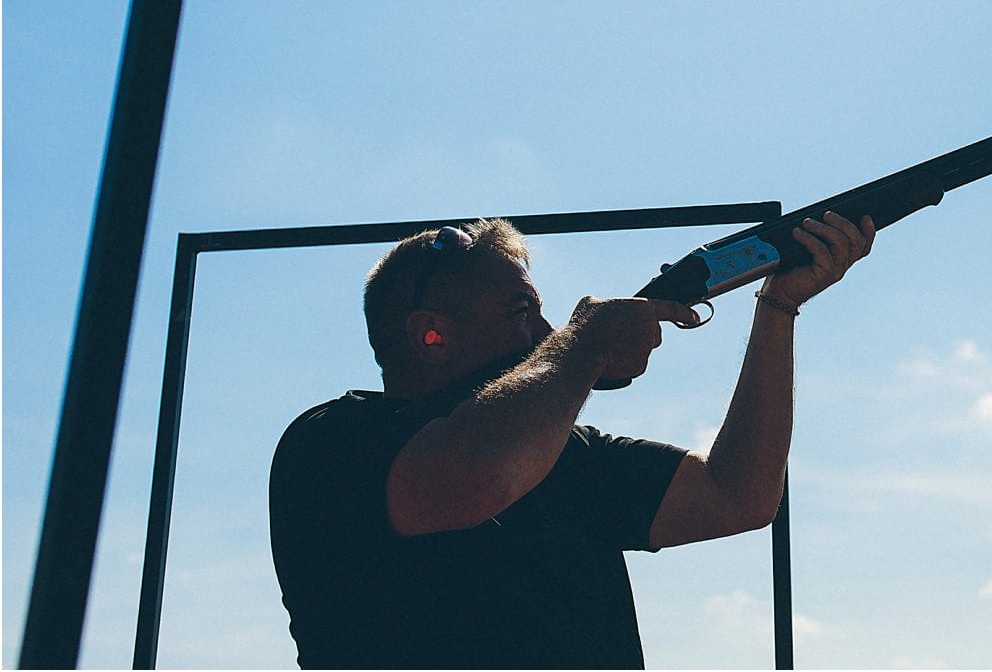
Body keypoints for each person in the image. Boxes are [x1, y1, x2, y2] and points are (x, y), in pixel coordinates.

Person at [268, 210, 875, 669]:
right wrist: (584, 344)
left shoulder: (565, 451)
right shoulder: (330, 444)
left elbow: (737, 494)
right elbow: (479, 477)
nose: (546, 331)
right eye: (519, 311)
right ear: (431, 335)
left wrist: (777, 307)